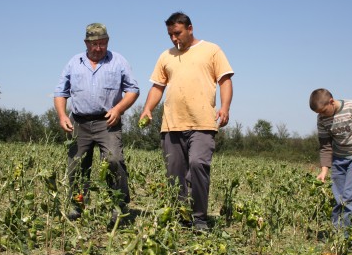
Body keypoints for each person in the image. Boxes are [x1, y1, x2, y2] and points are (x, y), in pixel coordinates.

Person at [140, 12, 234, 232]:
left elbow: (225, 80)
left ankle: (200, 218)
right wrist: (147, 108)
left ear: (190, 28)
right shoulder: (166, 56)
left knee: (198, 164)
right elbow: (158, 87)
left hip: (202, 122)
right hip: (172, 124)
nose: (174, 38)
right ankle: (182, 216)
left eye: (178, 33)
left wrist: (225, 107)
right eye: (171, 34)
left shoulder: (211, 50)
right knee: (175, 173)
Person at [54, 23, 139, 222]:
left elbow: (133, 89)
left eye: (102, 43)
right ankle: (77, 205)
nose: (98, 48)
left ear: (107, 42)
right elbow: (60, 92)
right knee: (76, 164)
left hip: (107, 122)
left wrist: (118, 109)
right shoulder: (74, 62)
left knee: (113, 161)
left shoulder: (118, 61)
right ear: (86, 43)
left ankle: (118, 204)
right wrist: (62, 115)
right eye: (94, 44)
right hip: (79, 122)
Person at [309, 88, 352, 230]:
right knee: (339, 198)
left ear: (331, 102)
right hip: (339, 160)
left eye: (324, 111)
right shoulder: (321, 118)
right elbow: (325, 145)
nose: (321, 115)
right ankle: (344, 233)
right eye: (318, 113)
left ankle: (345, 236)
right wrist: (324, 170)